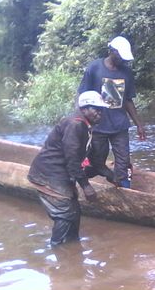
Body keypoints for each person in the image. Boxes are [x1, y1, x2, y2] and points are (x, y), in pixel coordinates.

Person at [27, 91, 109, 245]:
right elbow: (72, 161)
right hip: (49, 174)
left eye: (101, 109)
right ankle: (58, 250)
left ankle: (73, 247)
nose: (100, 113)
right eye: (96, 109)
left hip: (60, 173)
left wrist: (108, 173)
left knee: (74, 211)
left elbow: (89, 155)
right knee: (64, 213)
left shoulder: (86, 125)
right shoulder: (75, 125)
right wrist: (86, 186)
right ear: (84, 109)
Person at [77, 36, 146, 189]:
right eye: (120, 56)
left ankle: (124, 189)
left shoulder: (126, 72)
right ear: (112, 51)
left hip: (119, 125)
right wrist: (82, 124)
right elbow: (82, 97)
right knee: (97, 162)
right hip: (98, 127)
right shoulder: (94, 68)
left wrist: (139, 125)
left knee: (123, 160)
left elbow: (128, 100)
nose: (123, 60)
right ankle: (80, 180)